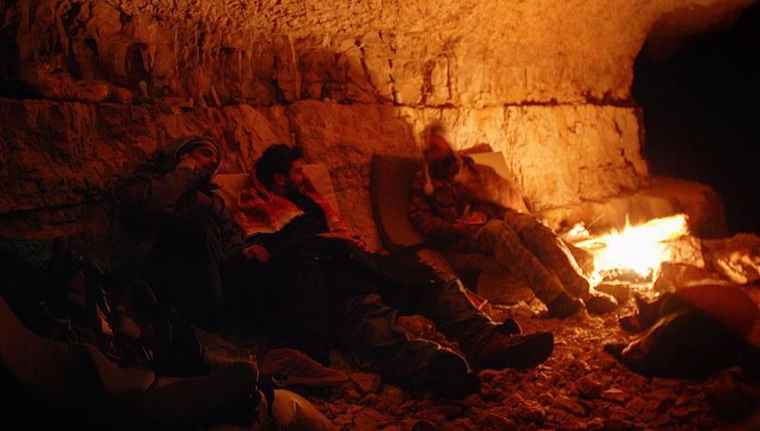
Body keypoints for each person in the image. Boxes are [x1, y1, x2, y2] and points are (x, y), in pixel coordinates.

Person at [232, 144, 555, 398]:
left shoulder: (313, 203)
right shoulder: (259, 207)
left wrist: (342, 243)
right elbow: (265, 251)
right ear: (279, 178)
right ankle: (428, 365)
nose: (304, 177)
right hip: (325, 278)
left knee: (433, 281)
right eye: (298, 171)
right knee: (367, 314)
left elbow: (345, 235)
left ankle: (486, 341)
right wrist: (308, 243)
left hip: (357, 261)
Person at [408, 124, 618, 318]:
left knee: (532, 227)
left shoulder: (469, 169)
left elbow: (497, 196)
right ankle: (555, 299)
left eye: (440, 145)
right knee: (499, 232)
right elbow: (421, 217)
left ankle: (587, 294)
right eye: (432, 147)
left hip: (493, 217)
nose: (435, 151)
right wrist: (453, 228)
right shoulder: (424, 180)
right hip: (464, 235)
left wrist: (482, 202)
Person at [116, 136, 241, 332]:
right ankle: (213, 329)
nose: (213, 162)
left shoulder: (213, 201)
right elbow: (150, 205)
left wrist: (248, 250)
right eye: (206, 154)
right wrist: (184, 172)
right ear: (183, 155)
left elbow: (231, 240)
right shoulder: (146, 183)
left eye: (216, 160)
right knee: (195, 227)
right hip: (152, 273)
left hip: (207, 276)